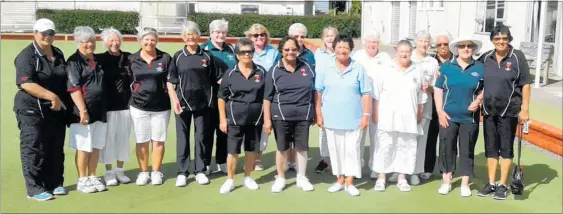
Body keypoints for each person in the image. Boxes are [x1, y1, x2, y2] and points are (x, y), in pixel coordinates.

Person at [14, 18, 69, 201]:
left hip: (54, 111)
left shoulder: (58, 53)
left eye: (50, 33)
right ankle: (34, 188)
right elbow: (26, 83)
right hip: (31, 109)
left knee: (54, 147)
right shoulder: (26, 56)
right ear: (35, 33)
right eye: (43, 33)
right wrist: (52, 96)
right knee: (34, 147)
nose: (47, 36)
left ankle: (54, 183)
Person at [477, 25, 531, 200]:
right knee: (491, 148)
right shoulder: (486, 57)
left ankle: (502, 184)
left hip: (509, 111)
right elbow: (472, 73)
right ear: (492, 40)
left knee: (506, 149)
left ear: (509, 39)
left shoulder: (517, 57)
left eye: (504, 38)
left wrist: (525, 108)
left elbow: (526, 84)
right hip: (488, 111)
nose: (501, 41)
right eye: (497, 38)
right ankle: (491, 182)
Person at [315, 35, 372, 197]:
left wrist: (366, 115)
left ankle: (349, 182)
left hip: (353, 118)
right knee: (335, 150)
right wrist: (318, 113)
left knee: (351, 151)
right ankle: (339, 180)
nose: (342, 50)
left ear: (351, 50)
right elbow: (318, 91)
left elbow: (366, 93)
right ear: (334, 48)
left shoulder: (358, 67)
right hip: (331, 118)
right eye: (339, 47)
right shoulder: (325, 67)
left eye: (345, 48)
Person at [168, 21, 219, 187]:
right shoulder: (178, 56)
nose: (191, 37)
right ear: (184, 37)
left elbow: (216, 79)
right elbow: (171, 82)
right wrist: (175, 100)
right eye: (188, 35)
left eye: (194, 34)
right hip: (182, 104)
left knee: (201, 138)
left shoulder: (207, 56)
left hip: (203, 104)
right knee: (182, 138)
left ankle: (200, 170)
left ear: (198, 36)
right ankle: (182, 172)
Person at [371, 40, 426, 192]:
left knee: (406, 147)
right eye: (401, 51)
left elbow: (421, 95)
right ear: (396, 52)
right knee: (384, 146)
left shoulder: (418, 69)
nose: (404, 54)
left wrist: (419, 114)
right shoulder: (384, 69)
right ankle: (381, 177)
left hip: (409, 117)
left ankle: (402, 177)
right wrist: (375, 114)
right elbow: (376, 94)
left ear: (411, 52)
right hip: (387, 116)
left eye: (407, 51)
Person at [264, 36, 316, 193]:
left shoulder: (307, 67)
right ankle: (280, 178)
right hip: (280, 116)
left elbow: (314, 91)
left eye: (294, 49)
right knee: (282, 148)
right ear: (281, 51)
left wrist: (314, 112)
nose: (290, 52)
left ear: (298, 50)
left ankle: (301, 177)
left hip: (303, 115)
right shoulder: (274, 70)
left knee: (301, 148)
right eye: (287, 49)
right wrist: (267, 120)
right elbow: (267, 97)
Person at [434, 37, 484, 197]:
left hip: (470, 118)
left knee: (467, 149)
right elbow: (438, 90)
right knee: (446, 148)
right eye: (462, 46)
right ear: (457, 49)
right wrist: (440, 112)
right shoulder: (446, 67)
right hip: (448, 116)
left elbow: (486, 88)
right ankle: (447, 181)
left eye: (469, 46)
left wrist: (478, 100)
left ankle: (464, 183)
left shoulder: (481, 68)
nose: (466, 49)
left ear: (473, 49)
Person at [217, 38, 266, 193]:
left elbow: (266, 97)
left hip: (255, 119)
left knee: (252, 149)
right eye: (243, 52)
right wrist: (222, 119)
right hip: (234, 119)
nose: (247, 55)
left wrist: (267, 119)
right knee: (233, 151)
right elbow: (221, 97)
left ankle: (247, 177)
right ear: (237, 55)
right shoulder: (230, 73)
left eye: (250, 51)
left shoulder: (261, 72)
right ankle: (230, 179)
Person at [66, 26, 108, 193]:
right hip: (82, 112)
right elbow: (74, 88)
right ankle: (82, 179)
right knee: (83, 147)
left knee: (96, 146)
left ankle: (92, 176)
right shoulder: (73, 62)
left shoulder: (98, 60)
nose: (90, 44)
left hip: (100, 110)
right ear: (78, 42)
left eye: (92, 41)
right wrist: (82, 110)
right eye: (86, 41)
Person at [128, 27, 172, 186]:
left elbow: (171, 81)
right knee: (141, 140)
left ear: (157, 41)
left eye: (152, 39)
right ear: (140, 41)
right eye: (146, 39)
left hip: (161, 107)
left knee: (158, 140)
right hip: (139, 106)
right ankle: (144, 172)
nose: (149, 42)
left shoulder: (165, 58)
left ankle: (156, 172)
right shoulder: (132, 59)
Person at [351, 30, 392, 179]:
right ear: (365, 43)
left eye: (375, 42)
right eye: (369, 42)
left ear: (378, 43)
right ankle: (357, 166)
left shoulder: (386, 57)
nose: (372, 45)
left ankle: (375, 167)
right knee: (359, 136)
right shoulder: (357, 56)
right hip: (359, 101)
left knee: (377, 136)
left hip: (380, 102)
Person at [97, 28, 133, 186]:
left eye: (116, 39)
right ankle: (109, 172)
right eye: (110, 40)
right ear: (105, 42)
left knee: (123, 139)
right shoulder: (100, 59)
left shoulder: (129, 58)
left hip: (126, 106)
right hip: (107, 106)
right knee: (108, 140)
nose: (114, 43)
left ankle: (120, 170)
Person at [201, 19, 236, 174]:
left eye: (223, 32)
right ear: (211, 33)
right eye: (217, 32)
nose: (221, 35)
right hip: (209, 97)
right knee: (207, 132)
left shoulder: (231, 49)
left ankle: (221, 161)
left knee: (224, 130)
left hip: (228, 97)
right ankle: (206, 163)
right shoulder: (203, 49)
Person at [245, 23, 280, 171]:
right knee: (248, 127)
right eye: (255, 35)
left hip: (267, 95)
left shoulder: (273, 52)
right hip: (248, 95)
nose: (259, 37)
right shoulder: (246, 51)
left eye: (262, 34)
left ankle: (258, 158)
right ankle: (249, 157)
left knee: (264, 126)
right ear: (250, 37)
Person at [409, 31, 439, 185]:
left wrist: (429, 88)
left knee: (421, 141)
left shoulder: (432, 62)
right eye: (420, 41)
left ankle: (415, 172)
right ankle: (399, 170)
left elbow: (436, 88)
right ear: (415, 42)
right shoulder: (408, 57)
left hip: (425, 110)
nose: (423, 44)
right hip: (407, 108)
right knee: (404, 139)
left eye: (426, 41)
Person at [423, 31, 454, 180]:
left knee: (447, 140)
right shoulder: (430, 61)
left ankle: (446, 170)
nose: (442, 47)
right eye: (439, 44)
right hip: (433, 106)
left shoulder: (458, 60)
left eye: (445, 44)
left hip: (451, 106)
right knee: (430, 138)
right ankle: (428, 168)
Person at [313, 26, 339, 174]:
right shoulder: (318, 54)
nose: (330, 38)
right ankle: (325, 160)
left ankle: (337, 159)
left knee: (338, 129)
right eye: (327, 36)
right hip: (322, 97)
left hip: (339, 98)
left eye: (333, 35)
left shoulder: (343, 53)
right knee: (323, 129)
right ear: (323, 39)